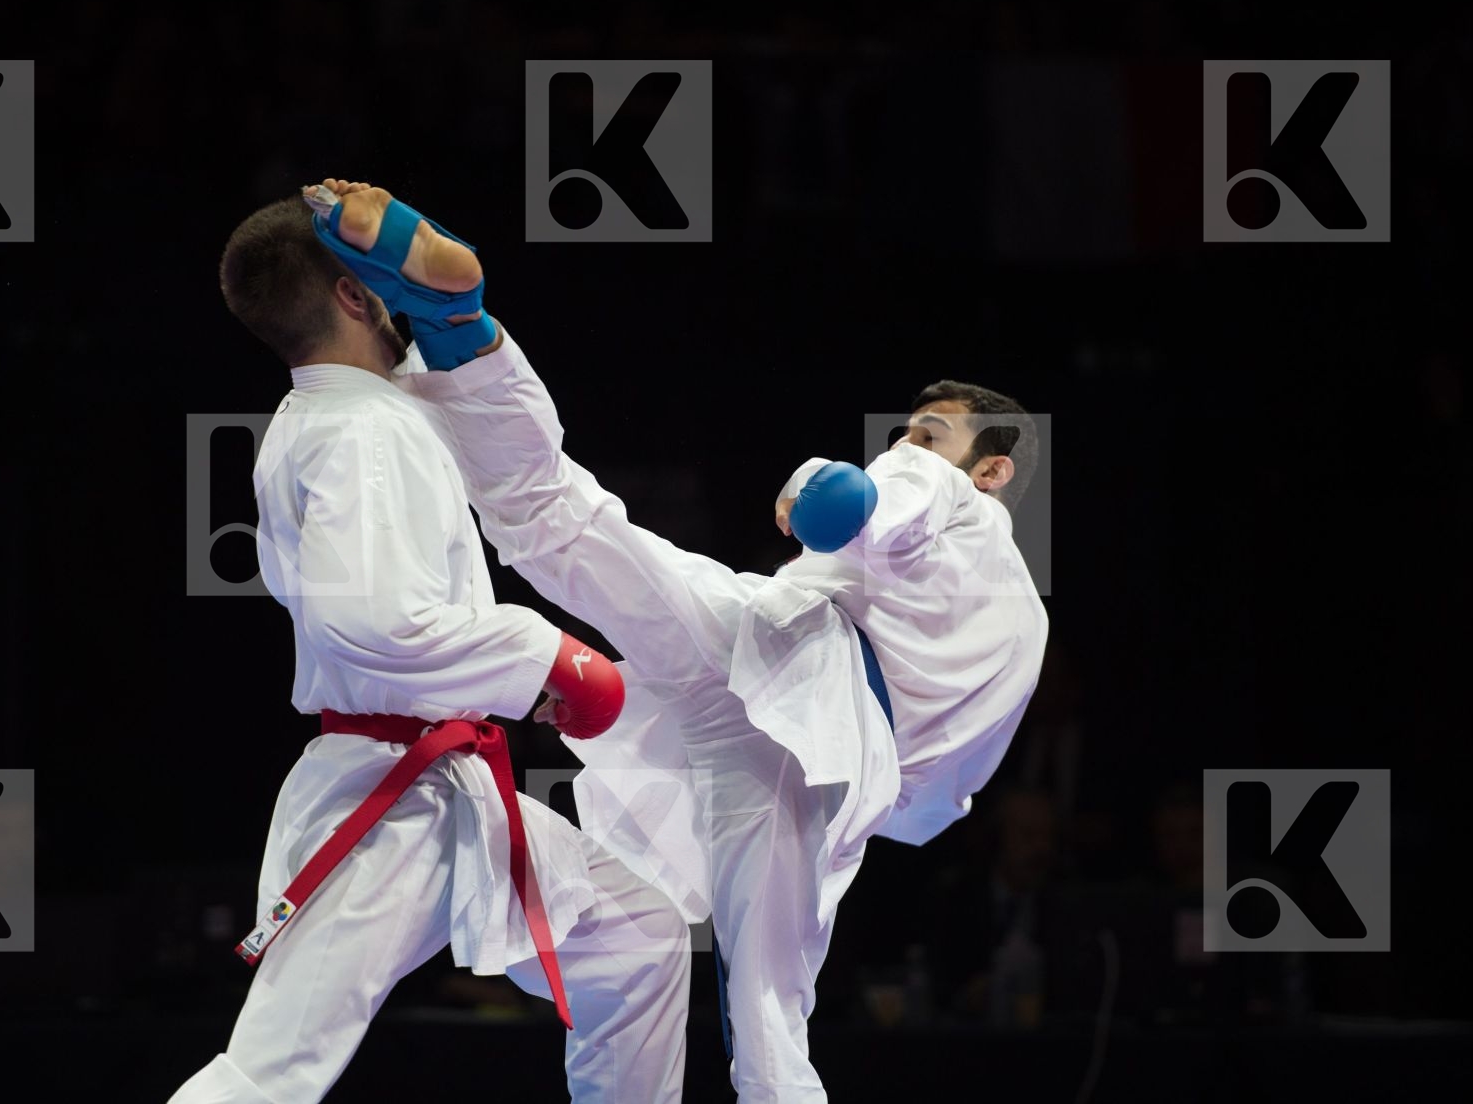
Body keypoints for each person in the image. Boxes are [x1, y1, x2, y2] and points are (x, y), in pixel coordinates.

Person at [311, 180, 1048, 1101]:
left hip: (777, 670)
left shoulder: (948, 497)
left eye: (931, 434)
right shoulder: (1027, 629)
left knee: (563, 524)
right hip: (820, 750)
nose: (907, 441)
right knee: (772, 1022)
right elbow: (934, 804)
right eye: (905, 432)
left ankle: (461, 335)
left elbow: (853, 504)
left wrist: (819, 482)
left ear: (994, 470)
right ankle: (456, 329)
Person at [167, 192, 690, 1103]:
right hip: (387, 797)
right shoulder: (360, 433)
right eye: (381, 273)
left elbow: (513, 443)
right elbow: (375, 623)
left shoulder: (359, 413)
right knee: (271, 1074)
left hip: (443, 784)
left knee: (640, 941)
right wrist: (544, 659)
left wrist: (460, 313)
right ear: (356, 295)